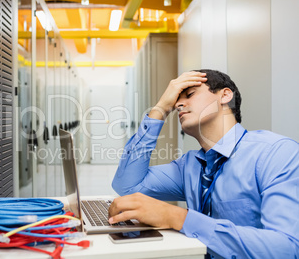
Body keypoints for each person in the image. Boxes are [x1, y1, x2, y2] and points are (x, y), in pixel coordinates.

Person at [109, 70, 299, 258]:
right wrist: (160, 109)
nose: (178, 104)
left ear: (225, 95)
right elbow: (127, 185)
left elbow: (287, 249)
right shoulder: (189, 166)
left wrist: (178, 217)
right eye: (175, 101)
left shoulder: (276, 153)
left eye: (190, 95)